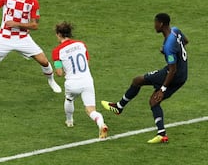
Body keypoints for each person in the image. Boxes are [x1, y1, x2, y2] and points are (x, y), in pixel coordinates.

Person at [101, 13, 188, 143]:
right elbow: (185, 41)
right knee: (153, 101)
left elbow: (172, 69)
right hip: (183, 75)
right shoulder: (175, 31)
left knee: (138, 80)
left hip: (173, 74)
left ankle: (119, 107)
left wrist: (162, 89)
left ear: (161, 24)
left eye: (156, 23)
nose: (154, 25)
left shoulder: (169, 45)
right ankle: (162, 134)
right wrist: (168, 51)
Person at [52, 22, 108, 138]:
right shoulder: (81, 44)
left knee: (69, 99)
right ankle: (101, 123)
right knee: (90, 110)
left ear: (59, 34)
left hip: (72, 83)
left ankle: (69, 121)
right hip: (87, 80)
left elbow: (59, 73)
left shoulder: (57, 51)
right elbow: (87, 63)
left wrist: (60, 70)